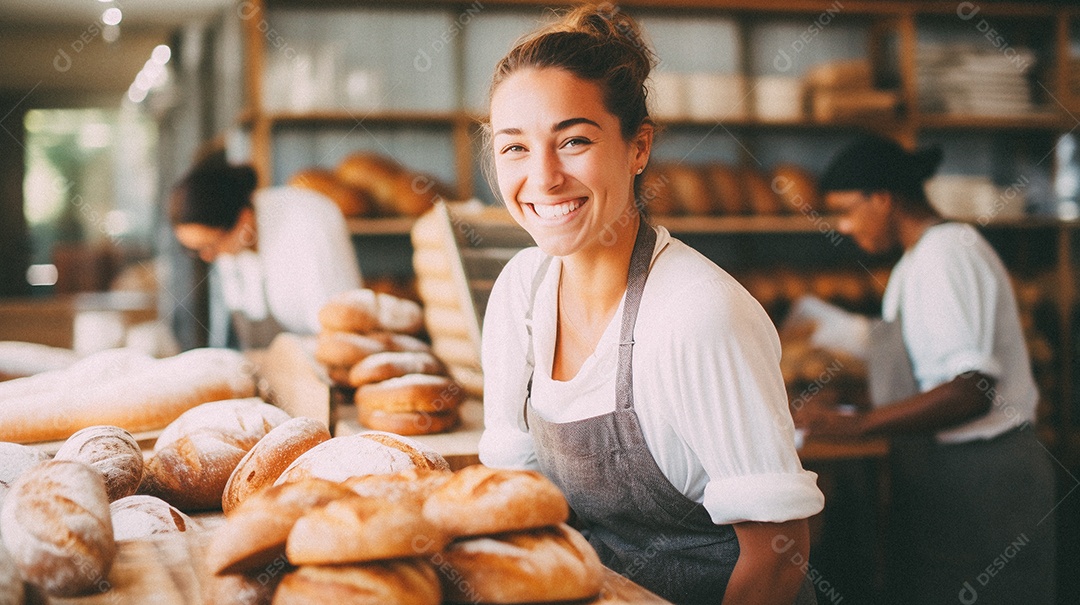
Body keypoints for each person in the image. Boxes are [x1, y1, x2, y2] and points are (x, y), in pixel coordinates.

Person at [477, 6, 824, 604]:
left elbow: (777, 554)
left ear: (638, 148)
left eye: (574, 141)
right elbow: (515, 496)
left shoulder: (695, 314)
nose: (545, 176)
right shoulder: (520, 292)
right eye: (514, 148)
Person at [802, 134, 1057, 604]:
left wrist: (860, 424)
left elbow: (970, 390)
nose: (842, 225)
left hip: (985, 477)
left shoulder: (948, 254)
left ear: (882, 199)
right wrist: (847, 403)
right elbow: (925, 380)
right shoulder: (913, 264)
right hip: (944, 473)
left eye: (846, 210)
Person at [168, 156, 361, 349]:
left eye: (209, 246)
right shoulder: (227, 244)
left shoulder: (309, 223)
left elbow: (342, 334)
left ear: (243, 220)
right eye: (195, 250)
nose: (207, 257)